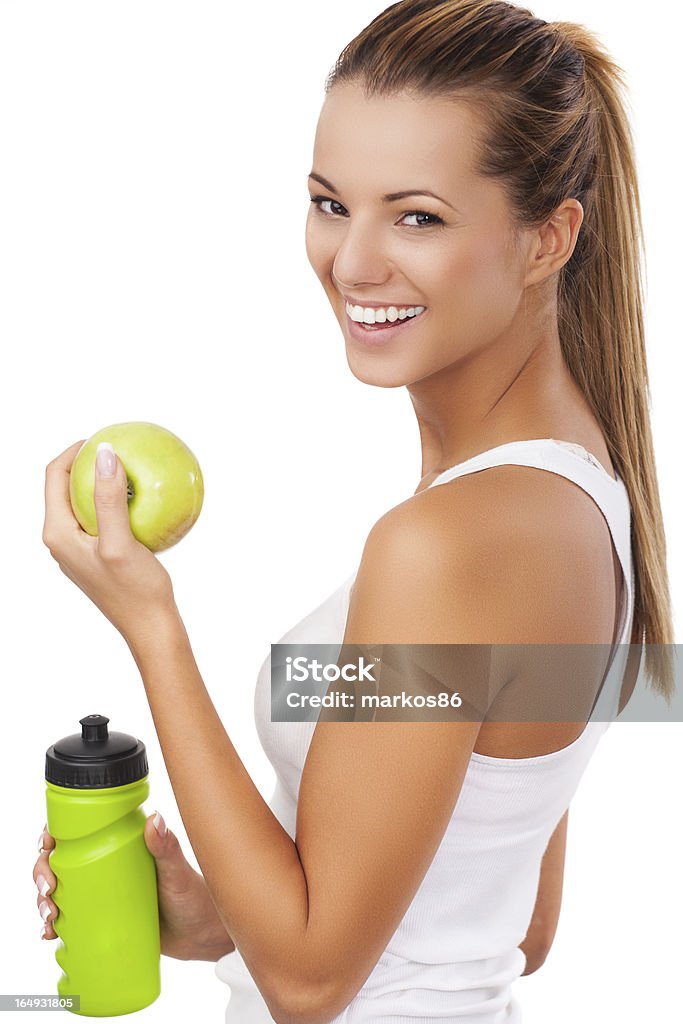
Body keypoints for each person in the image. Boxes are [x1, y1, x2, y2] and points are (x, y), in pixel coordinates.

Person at [34, 1, 674, 1021]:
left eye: (416, 215)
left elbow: (308, 982)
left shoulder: (447, 543)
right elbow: (513, 923)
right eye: (331, 203)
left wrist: (149, 623)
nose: (352, 262)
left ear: (549, 237)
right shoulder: (580, 499)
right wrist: (219, 918)